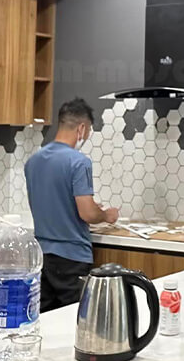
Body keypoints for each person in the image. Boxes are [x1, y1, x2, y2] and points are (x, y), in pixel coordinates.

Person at [25, 97, 120, 312]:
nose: (85, 137)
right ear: (81, 128)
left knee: (46, 320)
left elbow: (53, 200)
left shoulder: (33, 162)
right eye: (87, 133)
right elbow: (87, 212)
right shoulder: (78, 162)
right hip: (72, 258)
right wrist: (106, 215)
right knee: (74, 322)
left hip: (42, 257)